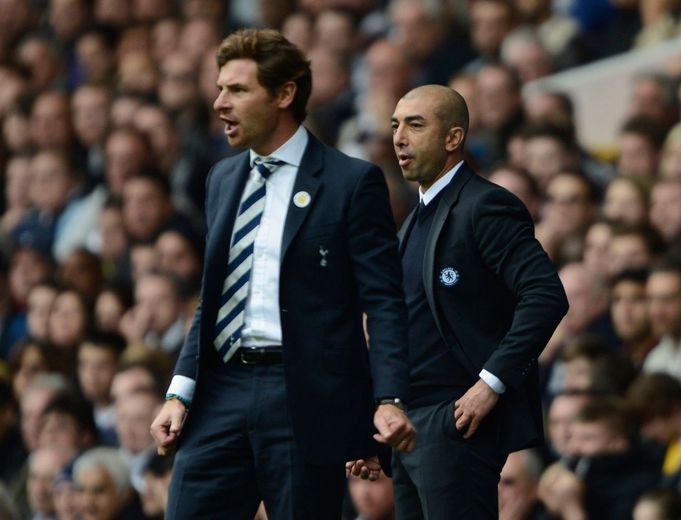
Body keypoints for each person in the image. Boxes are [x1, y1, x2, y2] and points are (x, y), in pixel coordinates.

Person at [150, 28, 415, 519]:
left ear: (284, 94)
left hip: (303, 399)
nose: (219, 103)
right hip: (220, 393)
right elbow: (215, 298)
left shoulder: (351, 182)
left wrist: (388, 398)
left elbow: (383, 302)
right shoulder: (221, 178)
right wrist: (179, 389)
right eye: (219, 88)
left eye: (237, 90)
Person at [389, 84, 568, 518]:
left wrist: (491, 384)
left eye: (415, 124)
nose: (398, 137)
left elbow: (545, 295)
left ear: (453, 138)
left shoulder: (485, 205)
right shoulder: (411, 223)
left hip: (453, 423)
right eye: (395, 125)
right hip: (409, 428)